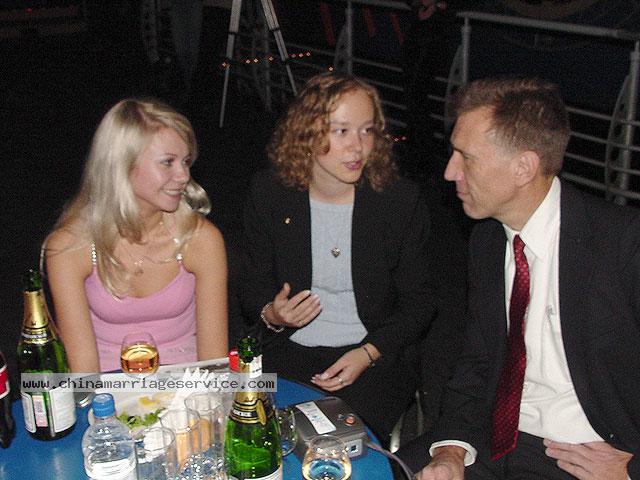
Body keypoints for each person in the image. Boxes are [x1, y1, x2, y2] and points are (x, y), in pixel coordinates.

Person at [397, 77, 639, 479]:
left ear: (523, 167)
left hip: (584, 456)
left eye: (466, 158)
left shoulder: (622, 244)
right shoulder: (488, 239)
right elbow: (477, 361)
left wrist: (631, 470)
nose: (450, 171)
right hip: (493, 436)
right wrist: (452, 448)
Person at [240, 73, 435, 444]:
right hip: (287, 349)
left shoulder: (398, 202)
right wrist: (273, 314)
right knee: (254, 435)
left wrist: (369, 353)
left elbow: (420, 303)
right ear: (307, 134)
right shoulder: (270, 194)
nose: (358, 147)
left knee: (342, 446)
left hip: (373, 354)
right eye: (341, 131)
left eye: (366, 130)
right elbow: (252, 286)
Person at [44, 98, 228, 373]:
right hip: (107, 387)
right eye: (168, 162)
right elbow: (83, 371)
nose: (183, 176)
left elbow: (214, 364)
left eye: (186, 161)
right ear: (123, 165)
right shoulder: (70, 246)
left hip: (187, 386)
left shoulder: (199, 240)